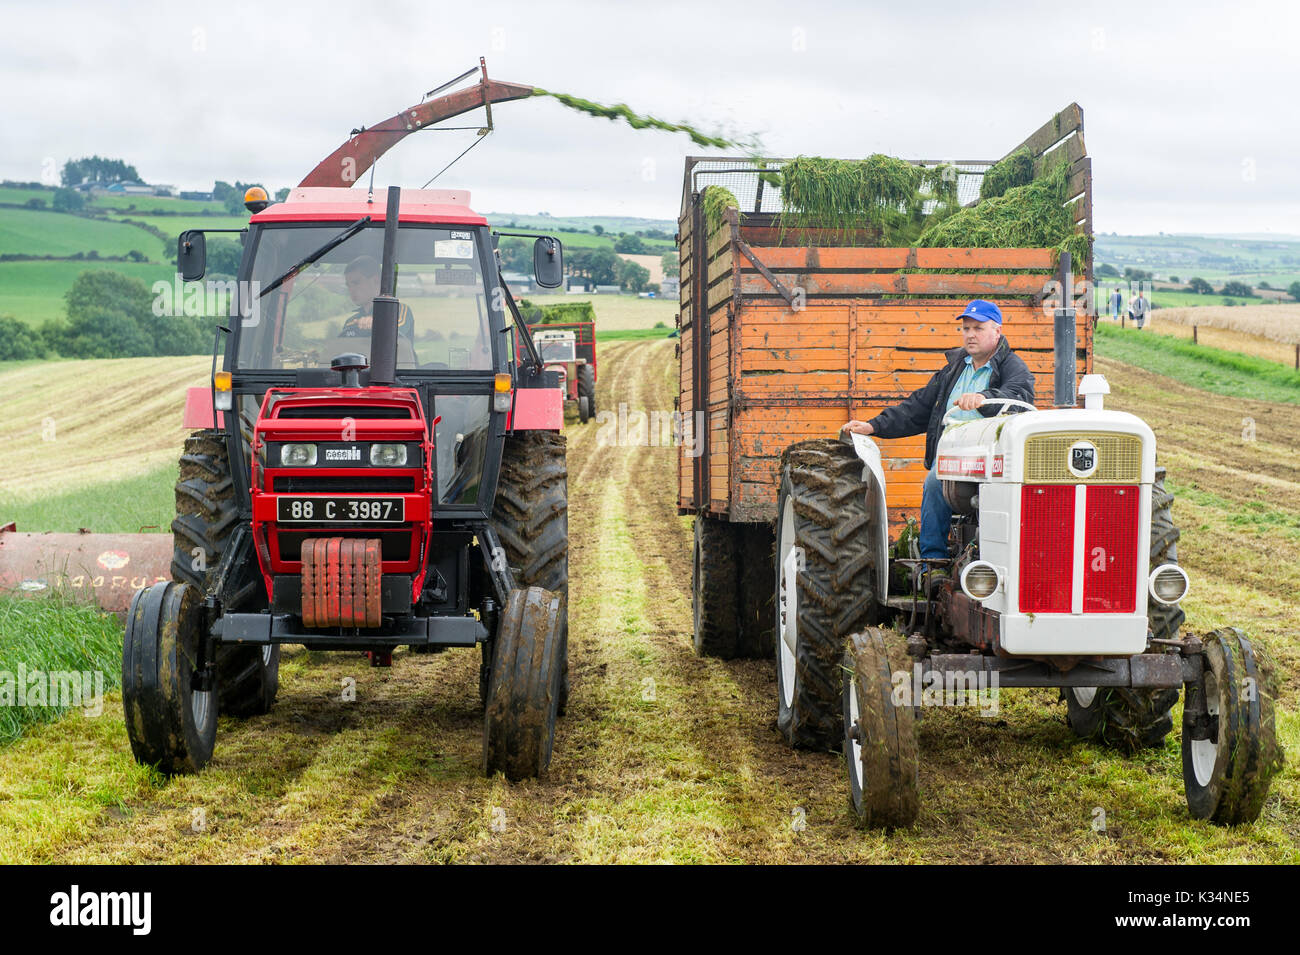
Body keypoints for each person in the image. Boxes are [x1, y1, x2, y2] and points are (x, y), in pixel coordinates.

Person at [842, 299, 1035, 574]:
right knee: (936, 480)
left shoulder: (1013, 367)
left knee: (938, 478)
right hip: (952, 456)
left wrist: (984, 398)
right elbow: (918, 407)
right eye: (966, 328)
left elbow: (1018, 396)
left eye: (978, 328)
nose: (970, 334)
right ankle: (932, 563)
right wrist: (874, 426)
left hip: (990, 459)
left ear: (997, 331)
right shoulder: (954, 370)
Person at [339, 255, 416, 342]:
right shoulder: (350, 322)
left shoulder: (398, 311)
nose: (351, 290)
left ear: (376, 280)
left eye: (356, 283)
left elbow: (396, 331)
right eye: (348, 285)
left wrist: (376, 323)